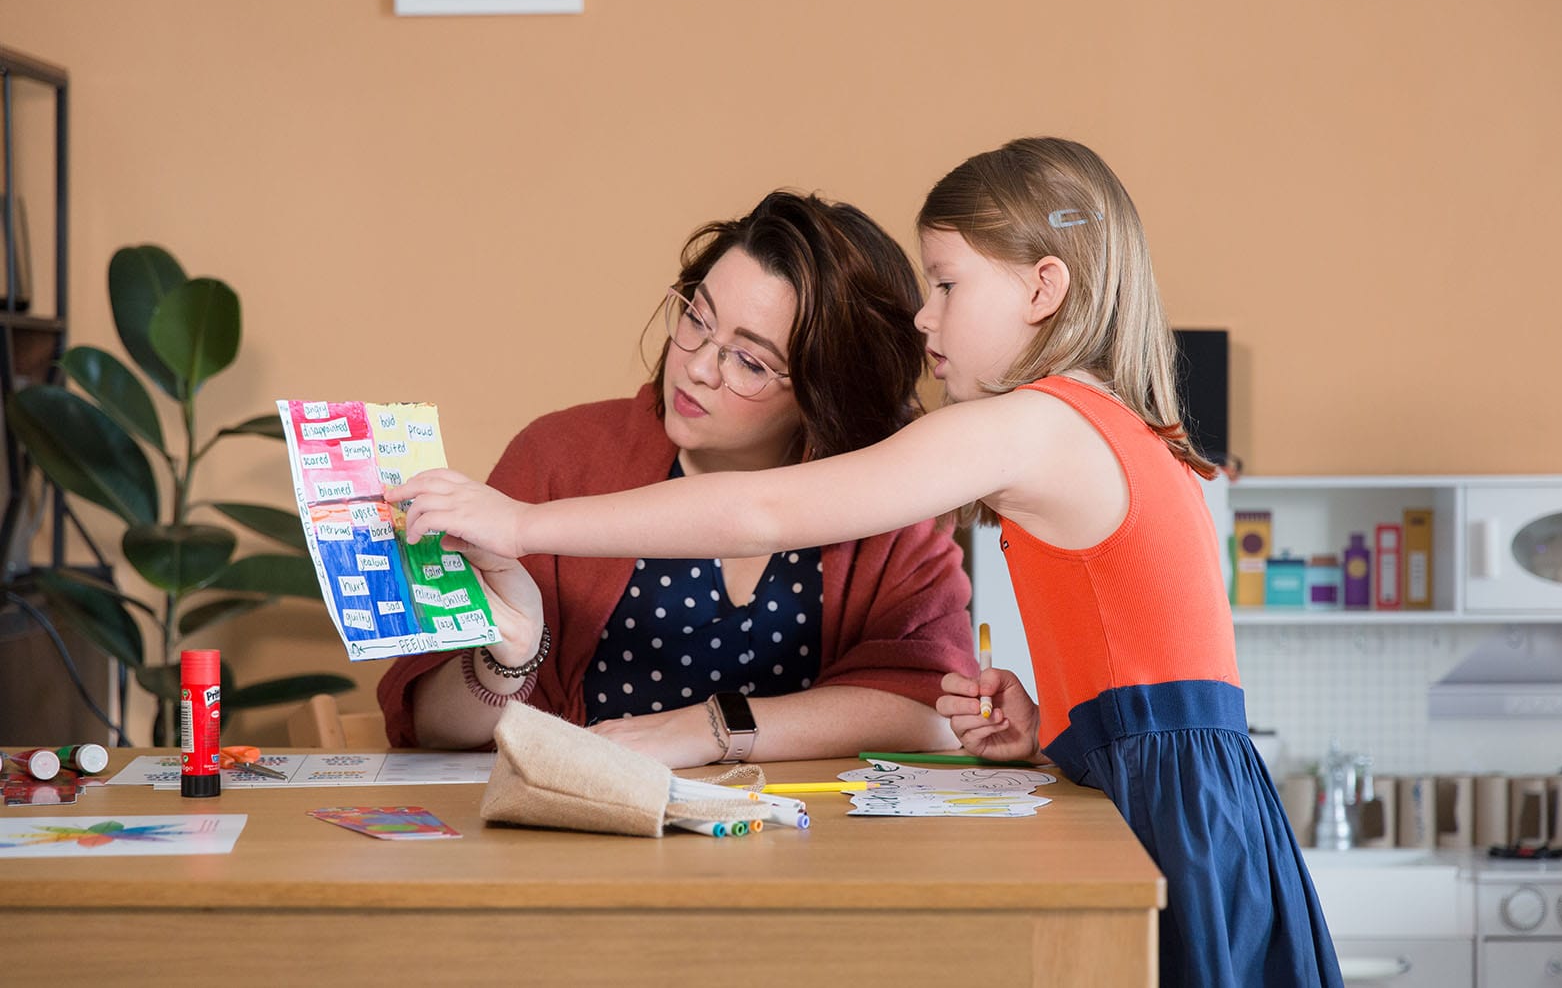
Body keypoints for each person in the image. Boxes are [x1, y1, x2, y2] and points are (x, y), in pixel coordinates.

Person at [391, 139, 1342, 985]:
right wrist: (1056, 723)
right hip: (1196, 793)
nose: (924, 322)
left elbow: (763, 507)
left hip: (1165, 802)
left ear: (1044, 289)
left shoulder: (1032, 424)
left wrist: (521, 523)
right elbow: (1148, 663)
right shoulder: (1112, 427)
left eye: (947, 285)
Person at [377, 190, 975, 769]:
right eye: (696, 317)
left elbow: (934, 705)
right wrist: (504, 662)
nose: (694, 366)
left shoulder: (884, 494)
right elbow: (429, 727)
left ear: (826, 393)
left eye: (749, 360)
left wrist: (713, 728)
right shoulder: (559, 457)